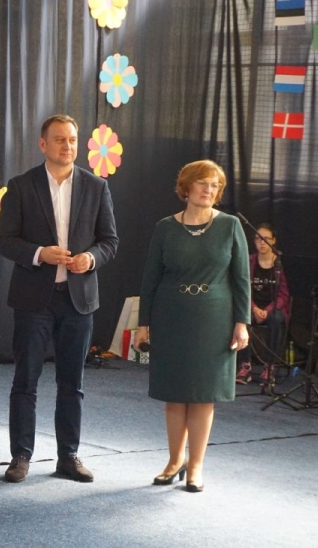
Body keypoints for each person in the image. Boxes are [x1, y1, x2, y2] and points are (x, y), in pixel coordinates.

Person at [0, 114, 119, 484]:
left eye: (72, 140)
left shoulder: (97, 186)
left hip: (78, 300)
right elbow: (5, 240)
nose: (67, 146)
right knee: (26, 381)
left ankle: (69, 456)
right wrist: (39, 254)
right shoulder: (21, 186)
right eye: (59, 139)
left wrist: (91, 258)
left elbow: (109, 241)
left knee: (72, 384)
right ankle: (21, 456)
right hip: (34, 300)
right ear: (43, 144)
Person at [133, 159, 250, 493]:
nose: (208, 190)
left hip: (215, 318)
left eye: (214, 185)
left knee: (202, 395)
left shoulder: (230, 225)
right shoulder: (165, 228)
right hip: (171, 315)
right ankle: (174, 461)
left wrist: (242, 323)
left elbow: (241, 278)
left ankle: (196, 465)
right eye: (202, 183)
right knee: (174, 395)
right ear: (186, 187)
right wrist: (143, 324)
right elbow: (150, 278)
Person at [236, 223, 290, 385]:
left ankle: (269, 366)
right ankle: (245, 365)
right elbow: (242, 288)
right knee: (241, 318)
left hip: (274, 308)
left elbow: (284, 294)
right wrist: (253, 308)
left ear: (273, 241)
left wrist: (267, 310)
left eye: (266, 239)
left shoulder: (280, 263)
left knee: (275, 319)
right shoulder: (249, 261)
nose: (262, 243)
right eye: (258, 239)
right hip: (252, 306)